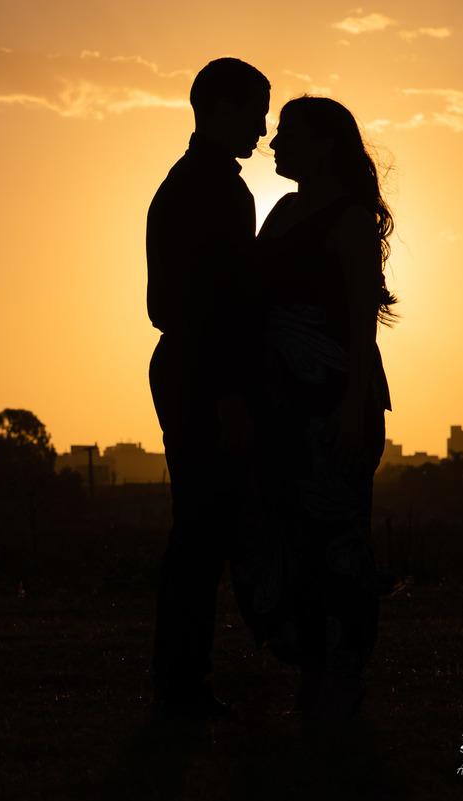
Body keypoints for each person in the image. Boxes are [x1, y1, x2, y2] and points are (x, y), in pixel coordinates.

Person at [231, 95, 396, 722]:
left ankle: (340, 680)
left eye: (290, 134)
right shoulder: (282, 210)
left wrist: (352, 405)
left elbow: (360, 322)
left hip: (332, 400)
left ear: (326, 144)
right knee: (286, 539)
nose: (275, 145)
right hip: (277, 403)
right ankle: (311, 675)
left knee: (338, 544)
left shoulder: (350, 219)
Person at [146, 57, 270, 721]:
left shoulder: (195, 182)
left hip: (192, 366)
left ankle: (183, 681)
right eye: (256, 112)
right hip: (203, 372)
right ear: (223, 109)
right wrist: (228, 395)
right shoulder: (212, 189)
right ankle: (182, 684)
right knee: (201, 533)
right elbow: (204, 305)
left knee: (202, 530)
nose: (263, 128)